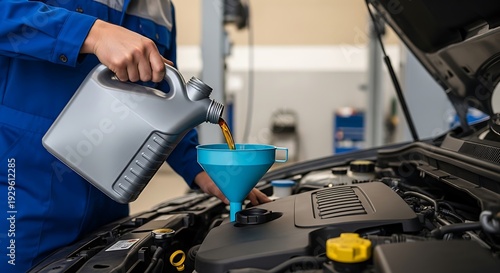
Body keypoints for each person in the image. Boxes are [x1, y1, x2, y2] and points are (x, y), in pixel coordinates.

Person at [0, 1, 270, 272]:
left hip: (109, 197)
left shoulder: (161, 8)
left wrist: (202, 170)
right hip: (22, 192)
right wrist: (94, 33)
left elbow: (166, 107)